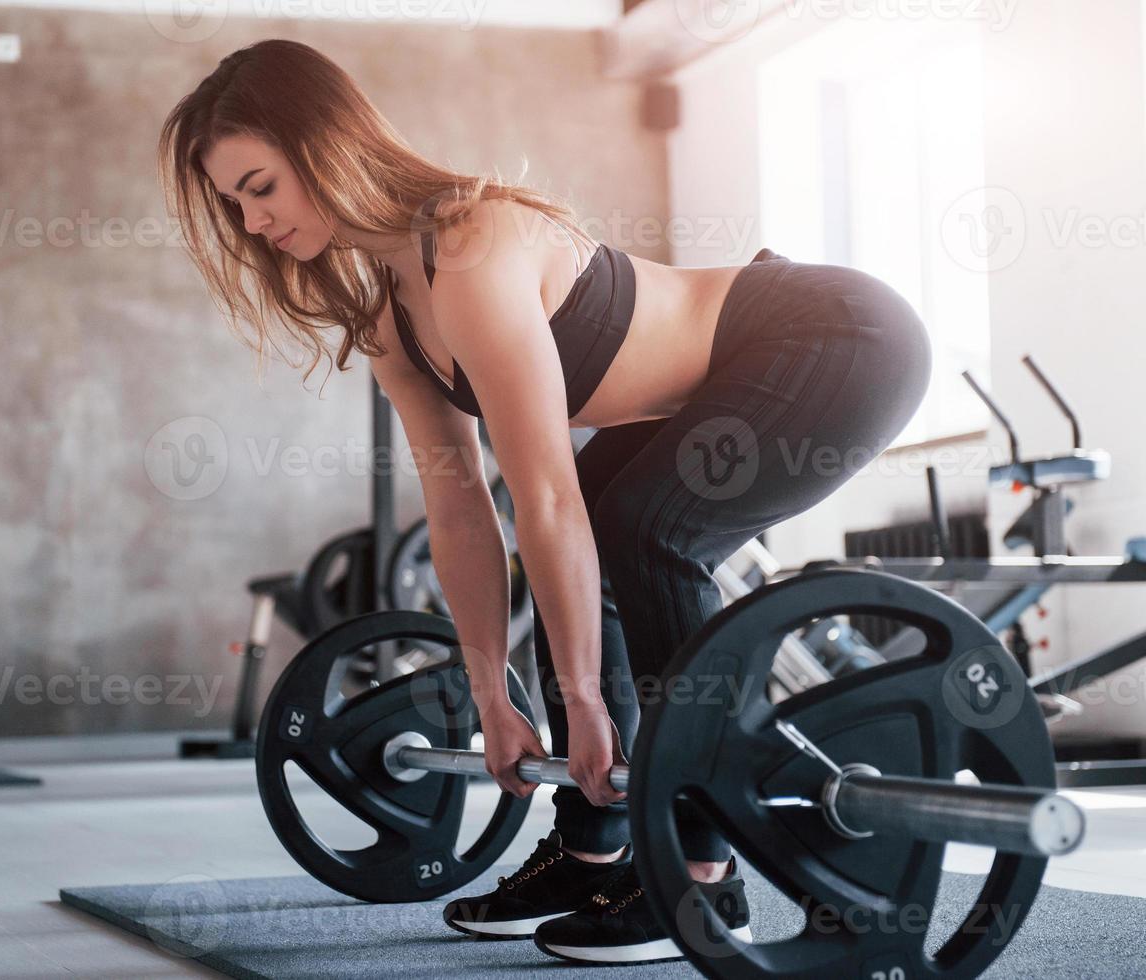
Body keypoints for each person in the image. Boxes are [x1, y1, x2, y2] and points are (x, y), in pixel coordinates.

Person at [161, 38, 932, 966]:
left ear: (324, 145)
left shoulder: (475, 249)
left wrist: (578, 695)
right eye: (234, 203)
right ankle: (592, 849)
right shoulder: (389, 316)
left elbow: (546, 498)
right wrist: (490, 692)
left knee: (647, 530)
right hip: (736, 372)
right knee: (617, 523)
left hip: (838, 334)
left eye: (260, 186)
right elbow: (461, 515)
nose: (251, 221)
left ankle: (705, 880)